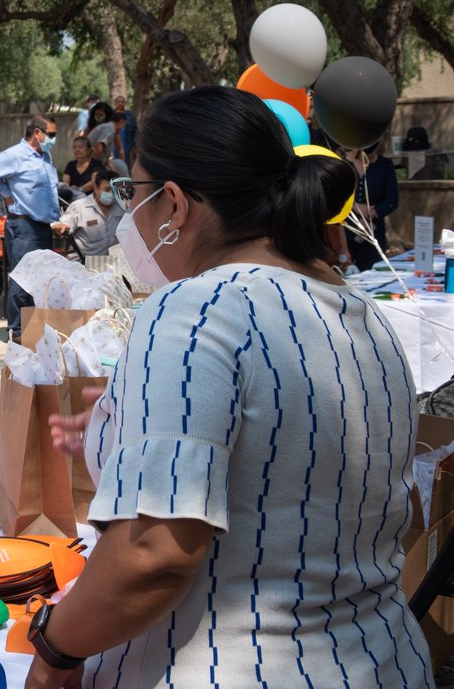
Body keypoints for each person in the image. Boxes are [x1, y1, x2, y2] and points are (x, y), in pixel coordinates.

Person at [30, 85, 431, 688]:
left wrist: (53, 653)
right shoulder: (365, 314)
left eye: (130, 192)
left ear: (173, 203)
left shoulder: (192, 308)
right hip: (380, 661)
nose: (123, 215)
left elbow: (152, 555)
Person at [0, 115, 61, 342]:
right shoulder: (16, 155)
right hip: (24, 225)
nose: (53, 139)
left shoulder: (45, 157)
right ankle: (16, 330)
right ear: (37, 132)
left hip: (42, 226)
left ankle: (34, 327)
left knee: (42, 278)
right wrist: (6, 194)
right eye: (50, 134)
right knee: (24, 277)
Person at [346, 143, 399, 271]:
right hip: (346, 227)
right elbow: (335, 195)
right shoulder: (344, 163)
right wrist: (353, 206)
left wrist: (374, 212)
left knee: (370, 269)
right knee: (344, 271)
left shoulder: (385, 165)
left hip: (373, 228)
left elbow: (392, 200)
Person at [52, 170, 122, 257]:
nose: (111, 194)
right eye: (107, 189)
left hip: (114, 264)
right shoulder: (79, 207)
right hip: (85, 265)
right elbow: (62, 225)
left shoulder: (121, 207)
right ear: (96, 188)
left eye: (114, 190)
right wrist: (60, 226)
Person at [113, 95, 137, 164]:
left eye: (122, 102)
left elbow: (135, 131)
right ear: (115, 103)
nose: (120, 103)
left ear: (125, 103)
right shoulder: (110, 115)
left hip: (127, 144)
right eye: (118, 102)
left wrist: (134, 146)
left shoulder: (130, 116)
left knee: (125, 164)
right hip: (113, 145)